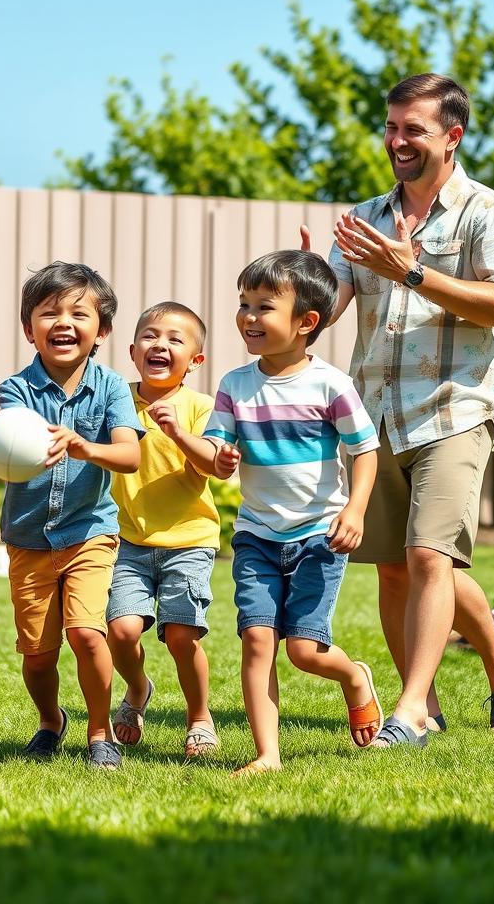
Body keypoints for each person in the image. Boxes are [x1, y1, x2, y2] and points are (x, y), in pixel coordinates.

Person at [323, 72, 494, 745]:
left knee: (427, 556)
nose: (397, 141)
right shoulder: (364, 219)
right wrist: (302, 280)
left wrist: (412, 270)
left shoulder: (485, 213)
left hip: (454, 408)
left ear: (452, 135)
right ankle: (478, 679)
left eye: (412, 128)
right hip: (374, 413)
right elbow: (324, 309)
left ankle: (408, 709)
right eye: (391, 127)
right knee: (397, 566)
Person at [173, 251, 383, 774]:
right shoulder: (234, 385)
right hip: (257, 536)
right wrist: (212, 452)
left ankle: (354, 677)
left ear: (306, 322)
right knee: (257, 639)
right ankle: (268, 754)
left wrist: (355, 510)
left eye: (263, 306)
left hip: (319, 535)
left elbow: (365, 450)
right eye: (243, 304)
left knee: (305, 652)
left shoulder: (330, 384)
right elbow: (217, 459)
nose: (247, 316)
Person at [0, 262, 144, 769]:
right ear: (28, 328)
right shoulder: (14, 391)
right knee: (37, 655)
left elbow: (130, 455)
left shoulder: (112, 388)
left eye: (78, 313)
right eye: (48, 312)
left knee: (86, 633)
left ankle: (100, 731)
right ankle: (49, 720)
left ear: (101, 330)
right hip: (28, 538)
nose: (63, 322)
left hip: (89, 533)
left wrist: (85, 447)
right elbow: (10, 444)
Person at [105, 302, 222, 760]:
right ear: (133, 351)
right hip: (128, 540)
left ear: (195, 360)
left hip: (188, 540)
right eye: (152, 337)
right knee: (121, 630)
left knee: (181, 635)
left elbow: (214, 464)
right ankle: (137, 691)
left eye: (176, 339)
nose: (161, 345)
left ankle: (199, 716)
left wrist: (179, 434)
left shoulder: (200, 407)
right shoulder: (117, 402)